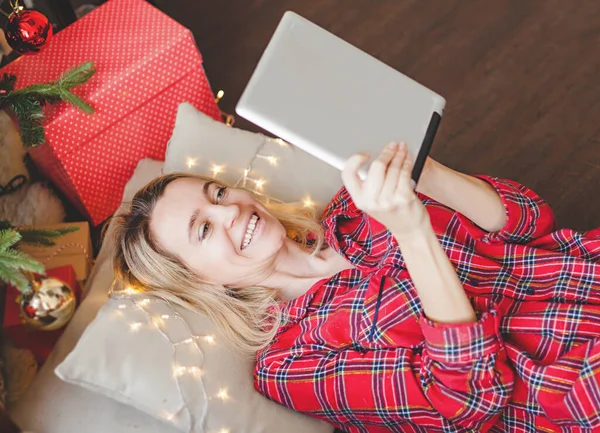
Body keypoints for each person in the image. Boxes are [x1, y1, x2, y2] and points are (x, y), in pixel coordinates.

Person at [113, 142, 600, 432]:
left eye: (217, 194)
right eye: (202, 229)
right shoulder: (289, 363)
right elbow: (467, 405)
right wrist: (412, 233)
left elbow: (531, 222)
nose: (230, 211)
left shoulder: (356, 206)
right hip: (570, 387)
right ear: (197, 280)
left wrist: (430, 173)